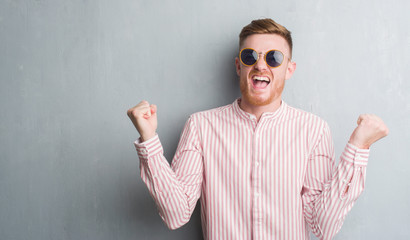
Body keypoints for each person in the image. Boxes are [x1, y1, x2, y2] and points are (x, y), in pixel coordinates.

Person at [127, 18, 389, 240]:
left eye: (274, 58)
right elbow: (176, 214)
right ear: (239, 66)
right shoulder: (200, 126)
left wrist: (358, 148)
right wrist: (149, 141)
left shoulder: (313, 130)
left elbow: (323, 226)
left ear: (289, 69)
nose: (261, 65)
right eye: (250, 56)